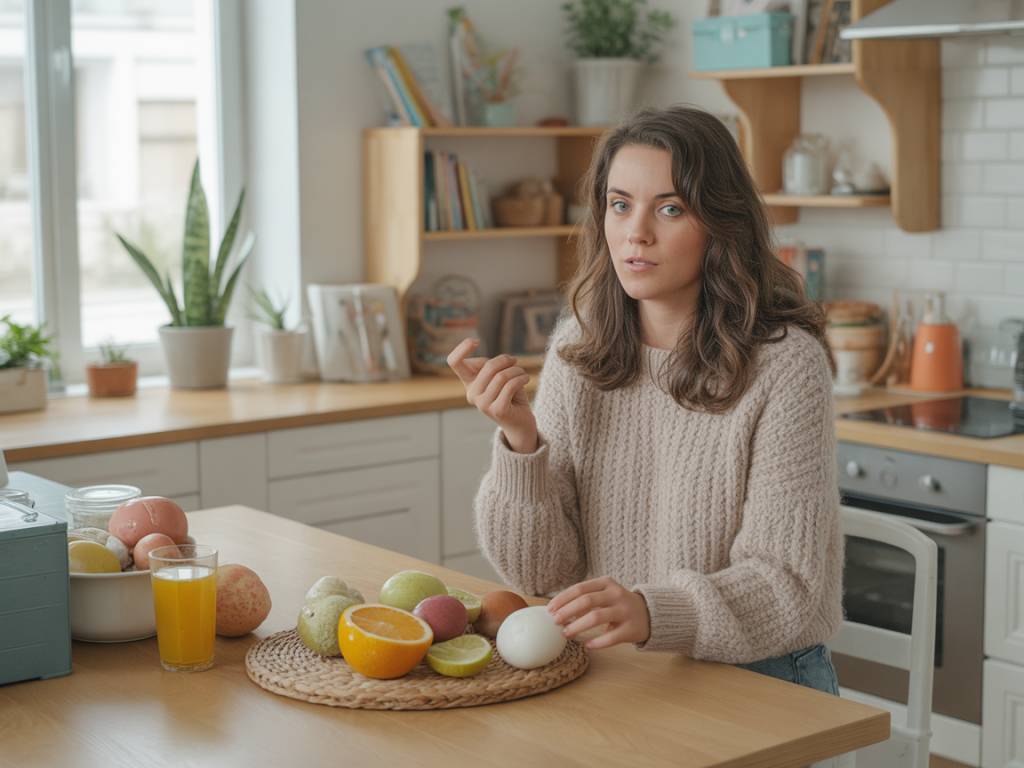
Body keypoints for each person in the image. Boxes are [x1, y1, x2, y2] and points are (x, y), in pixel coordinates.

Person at [447, 105, 843, 695]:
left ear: (719, 222)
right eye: (620, 203)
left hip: (761, 680)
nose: (637, 233)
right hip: (621, 675)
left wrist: (653, 612)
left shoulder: (785, 366)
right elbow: (539, 574)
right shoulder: (579, 350)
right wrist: (520, 442)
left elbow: (787, 583)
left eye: (670, 208)